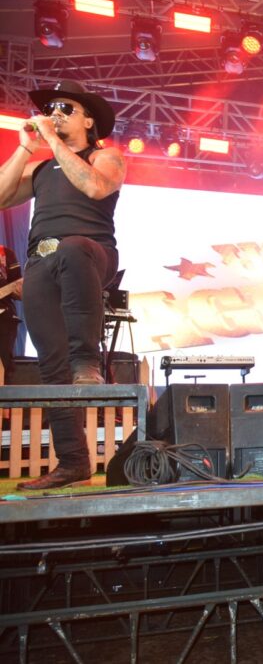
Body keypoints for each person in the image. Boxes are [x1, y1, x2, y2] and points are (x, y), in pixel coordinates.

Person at [0, 80, 124, 490]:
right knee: (51, 366)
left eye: (66, 108)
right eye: (51, 107)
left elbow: (95, 186)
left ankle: (87, 362)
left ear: (88, 121)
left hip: (91, 253)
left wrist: (52, 140)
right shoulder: (40, 168)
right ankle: (73, 462)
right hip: (42, 261)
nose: (55, 113)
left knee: (73, 247)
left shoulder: (105, 156)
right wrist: (25, 147)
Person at [0, 245, 22, 384]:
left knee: (4, 362)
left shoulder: (5, 253)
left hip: (4, 316)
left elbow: (18, 291)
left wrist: (19, 289)